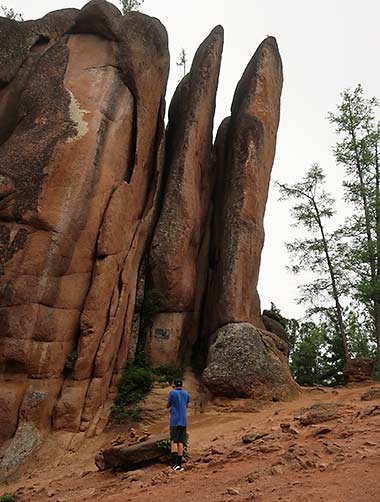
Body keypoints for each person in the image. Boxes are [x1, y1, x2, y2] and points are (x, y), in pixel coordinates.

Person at [166, 379, 190, 471]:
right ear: (182, 385)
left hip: (175, 421)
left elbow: (168, 405)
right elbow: (186, 405)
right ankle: (179, 464)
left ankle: (173, 464)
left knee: (174, 441)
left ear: (174, 385)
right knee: (181, 442)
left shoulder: (172, 393)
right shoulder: (186, 393)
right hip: (183, 421)